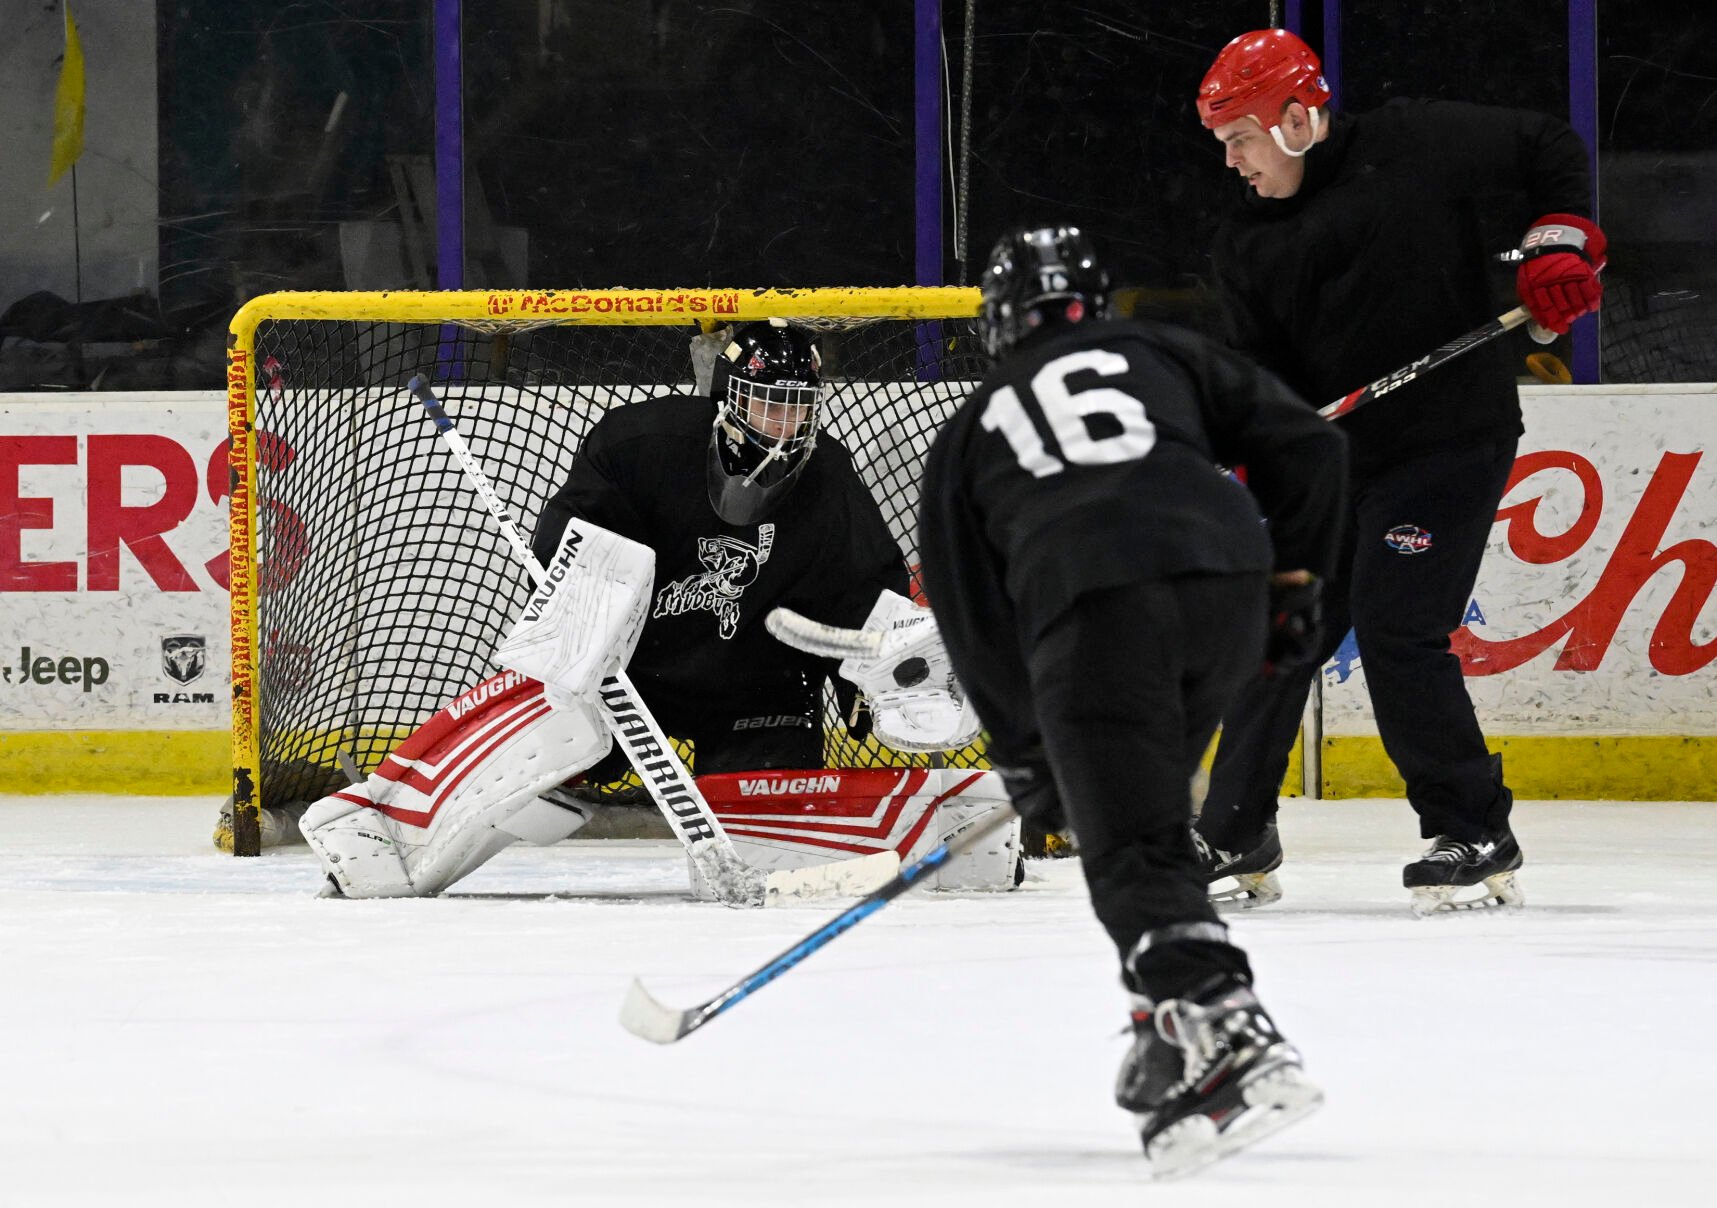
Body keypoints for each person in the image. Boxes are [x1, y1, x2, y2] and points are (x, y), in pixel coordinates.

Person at [917, 225, 1346, 1176]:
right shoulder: (1163, 350)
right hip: (1225, 580)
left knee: (1131, 842)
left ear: (996, 321)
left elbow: (974, 627)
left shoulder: (965, 435)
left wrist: (1030, 765)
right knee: (1151, 819)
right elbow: (1312, 447)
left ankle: (1229, 1030)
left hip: (1095, 601)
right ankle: (1164, 1012)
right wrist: (1296, 584)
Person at [294, 319, 929, 899]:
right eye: (768, 404)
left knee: (769, 853)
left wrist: (871, 677)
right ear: (730, 397)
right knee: (539, 739)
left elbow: (867, 594)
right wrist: (582, 613)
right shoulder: (641, 445)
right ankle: (393, 833)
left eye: (798, 410)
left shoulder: (830, 479)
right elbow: (572, 542)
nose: (783, 428)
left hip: (760, 688)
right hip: (630, 679)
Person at [1192, 28, 1606, 915]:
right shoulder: (1244, 244)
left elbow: (1549, 146)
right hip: (1340, 468)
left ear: (1297, 118)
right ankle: (1233, 832)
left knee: (1394, 625)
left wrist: (1556, 241)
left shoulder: (1418, 142)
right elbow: (1264, 376)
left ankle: (1473, 826)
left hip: (1449, 439)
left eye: (1241, 140)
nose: (1232, 164)